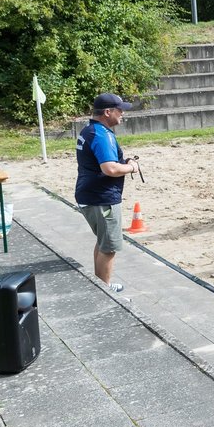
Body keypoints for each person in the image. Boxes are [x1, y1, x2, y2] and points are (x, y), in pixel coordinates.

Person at [75, 93, 140, 292]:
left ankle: (101, 285)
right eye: (120, 110)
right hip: (101, 198)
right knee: (109, 247)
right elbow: (109, 169)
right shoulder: (101, 135)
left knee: (103, 242)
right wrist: (132, 168)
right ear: (107, 112)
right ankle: (104, 292)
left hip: (91, 194)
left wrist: (124, 162)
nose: (122, 114)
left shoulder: (89, 130)